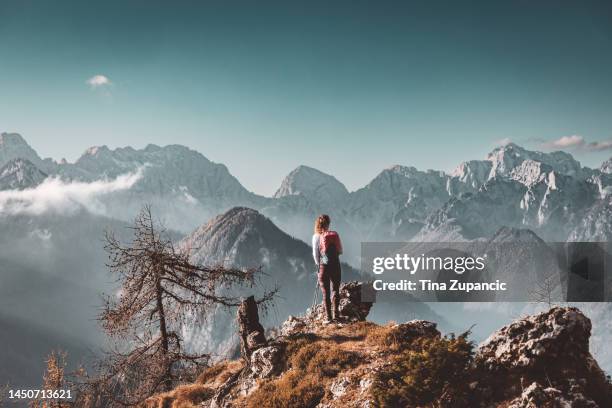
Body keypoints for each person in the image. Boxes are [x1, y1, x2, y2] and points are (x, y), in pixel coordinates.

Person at [312, 214, 343, 323]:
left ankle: (328, 318)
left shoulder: (316, 236)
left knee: (326, 293)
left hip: (323, 266)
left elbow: (316, 255)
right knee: (335, 290)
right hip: (335, 265)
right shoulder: (334, 235)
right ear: (328, 224)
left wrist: (318, 266)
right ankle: (336, 315)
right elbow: (340, 251)